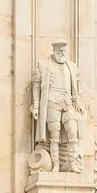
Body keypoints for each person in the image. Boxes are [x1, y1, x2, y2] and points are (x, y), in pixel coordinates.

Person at [31, 39, 85, 172]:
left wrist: (78, 102)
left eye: (64, 51)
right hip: (51, 102)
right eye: (60, 50)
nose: (62, 53)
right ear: (54, 50)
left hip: (67, 102)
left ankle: (72, 163)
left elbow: (75, 87)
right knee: (54, 137)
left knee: (73, 131)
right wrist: (36, 106)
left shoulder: (71, 66)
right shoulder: (43, 65)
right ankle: (55, 164)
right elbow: (36, 86)